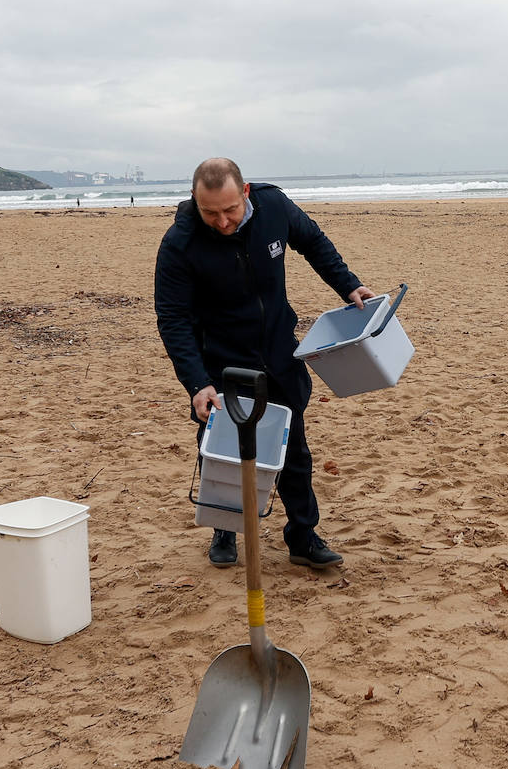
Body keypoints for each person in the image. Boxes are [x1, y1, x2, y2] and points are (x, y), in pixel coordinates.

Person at [155, 157, 375, 569]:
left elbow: (314, 243)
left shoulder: (274, 207)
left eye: (230, 210)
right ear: (194, 201)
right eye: (210, 212)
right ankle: (225, 528)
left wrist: (348, 285)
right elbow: (172, 319)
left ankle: (303, 537)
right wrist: (197, 382)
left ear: (246, 192)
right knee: (223, 454)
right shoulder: (180, 243)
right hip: (221, 363)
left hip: (277, 351)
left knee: (294, 450)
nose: (222, 221)